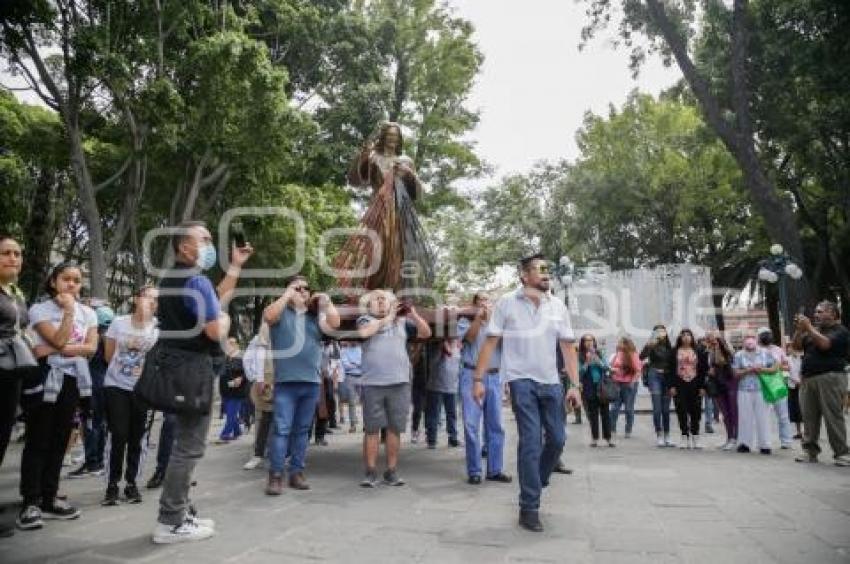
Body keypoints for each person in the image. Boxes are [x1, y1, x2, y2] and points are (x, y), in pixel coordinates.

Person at [151, 220, 253, 544]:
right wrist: (223, 322)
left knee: (184, 442)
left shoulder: (174, 278)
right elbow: (213, 327)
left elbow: (215, 298)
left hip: (175, 369)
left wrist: (235, 266)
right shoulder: (195, 280)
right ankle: (171, 520)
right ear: (184, 247)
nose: (210, 245)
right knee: (189, 447)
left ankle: (180, 510)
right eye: (204, 239)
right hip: (193, 371)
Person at [473, 254, 581, 533]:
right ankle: (529, 506)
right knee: (531, 442)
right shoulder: (507, 303)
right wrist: (478, 379)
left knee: (557, 440)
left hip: (551, 383)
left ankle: (536, 479)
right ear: (523, 275)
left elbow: (568, 348)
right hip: (521, 381)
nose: (546, 274)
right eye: (540, 270)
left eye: (548, 270)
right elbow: (490, 342)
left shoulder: (557, 306)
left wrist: (575, 385)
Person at [18, 262, 98, 530]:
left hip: (73, 381)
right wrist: (67, 314)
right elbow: (61, 341)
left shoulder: (88, 313)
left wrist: (55, 349)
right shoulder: (39, 309)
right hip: (44, 379)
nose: (72, 284)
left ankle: (49, 498)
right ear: (54, 281)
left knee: (60, 440)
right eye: (66, 279)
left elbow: (91, 348)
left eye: (77, 280)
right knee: (38, 439)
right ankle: (30, 501)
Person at [263, 275, 340, 495]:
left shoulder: (315, 317)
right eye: (298, 287)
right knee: (281, 430)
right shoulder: (280, 313)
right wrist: (288, 293)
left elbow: (335, 324)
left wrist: (327, 301)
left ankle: (296, 472)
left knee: (302, 431)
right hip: (285, 382)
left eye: (307, 288)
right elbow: (268, 316)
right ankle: (275, 475)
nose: (303, 291)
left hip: (311, 382)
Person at [336, 121, 435, 292]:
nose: (392, 139)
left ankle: (394, 291)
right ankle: (375, 290)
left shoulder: (406, 161)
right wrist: (363, 157)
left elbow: (418, 194)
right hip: (379, 212)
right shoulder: (374, 157)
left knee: (397, 253)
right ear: (383, 137)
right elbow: (354, 180)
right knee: (376, 250)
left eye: (395, 136)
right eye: (389, 136)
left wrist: (410, 175)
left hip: (400, 215)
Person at [357, 290, 431, 487]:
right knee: (372, 429)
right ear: (369, 305)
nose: (381, 301)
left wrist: (413, 314)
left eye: (385, 299)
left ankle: (391, 471)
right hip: (373, 383)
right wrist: (388, 318)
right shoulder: (365, 320)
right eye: (377, 299)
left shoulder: (402, 323)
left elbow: (426, 333)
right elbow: (364, 333)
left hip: (399, 382)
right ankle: (370, 471)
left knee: (394, 429)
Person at [101, 286, 159, 506]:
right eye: (148, 297)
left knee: (137, 437)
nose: (152, 302)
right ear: (136, 299)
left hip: (142, 390)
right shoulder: (119, 323)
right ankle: (112, 485)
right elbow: (108, 356)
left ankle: (131, 483)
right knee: (118, 434)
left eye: (156, 300)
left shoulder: (158, 329)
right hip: (116, 385)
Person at [458, 293, 510, 485]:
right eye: (479, 300)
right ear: (474, 304)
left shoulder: (498, 323)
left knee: (496, 425)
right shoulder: (465, 321)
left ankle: (495, 470)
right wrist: (478, 320)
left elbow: (507, 344)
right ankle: (474, 470)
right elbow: (469, 339)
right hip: (471, 376)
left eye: (487, 299)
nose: (484, 303)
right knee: (471, 425)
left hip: (495, 376)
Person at [793, 302, 850, 466]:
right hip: (809, 379)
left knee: (833, 416)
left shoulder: (840, 331)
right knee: (809, 417)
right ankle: (809, 451)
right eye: (815, 312)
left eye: (820, 312)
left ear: (832, 314)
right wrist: (799, 329)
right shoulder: (814, 331)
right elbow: (797, 347)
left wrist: (809, 327)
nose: (816, 315)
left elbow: (825, 345)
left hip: (830, 378)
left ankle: (842, 453)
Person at [0, 235, 31, 537]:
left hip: (12, 375)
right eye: (6, 253)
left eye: (17, 253)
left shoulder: (15, 292)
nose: (13, 258)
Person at [68, 303, 113, 479]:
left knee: (90, 423)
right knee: (100, 423)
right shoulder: (111, 337)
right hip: (105, 383)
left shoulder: (95, 338)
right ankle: (98, 461)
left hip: (92, 384)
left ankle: (92, 462)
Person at [732, 330, 775, 455]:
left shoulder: (765, 353)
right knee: (745, 417)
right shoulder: (739, 355)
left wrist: (762, 369)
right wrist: (748, 370)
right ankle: (744, 443)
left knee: (764, 417)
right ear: (743, 340)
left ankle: (765, 444)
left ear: (757, 339)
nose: (749, 339)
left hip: (761, 389)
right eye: (747, 337)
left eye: (752, 337)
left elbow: (774, 368)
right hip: (744, 390)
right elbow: (735, 373)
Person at [242, 324, 274, 470]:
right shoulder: (258, 338)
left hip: (281, 381)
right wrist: (255, 378)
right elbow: (247, 359)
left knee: (280, 420)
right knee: (263, 419)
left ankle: (277, 452)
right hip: (263, 384)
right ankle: (258, 453)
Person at [669, 329, 707, 449]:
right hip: (679, 383)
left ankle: (695, 436)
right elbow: (670, 370)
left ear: (692, 337)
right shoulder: (674, 351)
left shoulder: (698, 351)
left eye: (688, 335)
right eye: (684, 335)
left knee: (696, 411)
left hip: (695, 383)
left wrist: (702, 387)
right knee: (681, 410)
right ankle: (684, 436)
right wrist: (672, 386)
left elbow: (703, 370)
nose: (686, 337)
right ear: (680, 337)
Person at [757, 328, 793, 449]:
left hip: (777, 385)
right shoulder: (755, 351)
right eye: (763, 335)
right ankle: (763, 441)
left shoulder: (778, 350)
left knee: (783, 415)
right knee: (762, 416)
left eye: (767, 335)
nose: (766, 337)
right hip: (761, 387)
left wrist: (776, 367)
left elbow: (787, 366)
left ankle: (786, 441)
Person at [640, 325, 676, 447]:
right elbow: (641, 357)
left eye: (663, 331)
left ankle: (667, 435)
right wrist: (649, 345)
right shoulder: (651, 345)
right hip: (654, 375)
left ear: (666, 333)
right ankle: (659, 435)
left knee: (666, 410)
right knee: (657, 409)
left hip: (666, 377)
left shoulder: (669, 347)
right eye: (658, 331)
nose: (660, 333)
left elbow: (673, 363)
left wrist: (673, 383)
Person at [425, 338, 461, 449]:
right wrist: (441, 348)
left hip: (452, 386)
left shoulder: (458, 344)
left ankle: (453, 438)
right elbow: (432, 364)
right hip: (436, 386)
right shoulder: (436, 345)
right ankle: (432, 439)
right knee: (434, 414)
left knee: (452, 414)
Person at [704, 330, 737, 450]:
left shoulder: (725, 348)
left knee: (733, 411)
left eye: (713, 337)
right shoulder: (708, 351)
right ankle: (729, 438)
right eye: (708, 337)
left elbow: (726, 359)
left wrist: (719, 345)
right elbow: (708, 365)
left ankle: (735, 438)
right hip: (717, 383)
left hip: (729, 381)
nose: (711, 339)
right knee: (724, 412)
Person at [578, 334, 612, 447]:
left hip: (602, 386)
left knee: (605, 412)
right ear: (583, 343)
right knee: (593, 413)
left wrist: (599, 362)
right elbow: (579, 372)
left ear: (594, 342)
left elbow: (607, 367)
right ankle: (594, 438)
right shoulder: (580, 355)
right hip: (589, 386)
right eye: (586, 340)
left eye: (591, 340)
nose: (589, 342)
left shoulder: (600, 353)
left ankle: (608, 438)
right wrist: (587, 362)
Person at [608, 336, 641, 441]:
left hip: (629, 384)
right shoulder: (616, 354)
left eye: (621, 343)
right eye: (619, 342)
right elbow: (612, 367)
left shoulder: (633, 355)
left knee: (628, 408)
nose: (619, 344)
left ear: (627, 344)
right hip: (617, 383)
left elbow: (638, 370)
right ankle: (612, 429)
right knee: (614, 408)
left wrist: (633, 382)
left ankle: (628, 430)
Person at [218, 338, 248, 443]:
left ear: (236, 345)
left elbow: (248, 372)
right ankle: (237, 431)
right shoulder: (225, 358)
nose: (229, 346)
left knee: (231, 414)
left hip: (237, 391)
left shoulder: (242, 357)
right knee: (231, 413)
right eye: (227, 344)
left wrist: (241, 378)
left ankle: (225, 434)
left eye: (232, 343)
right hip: (225, 391)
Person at [339, 341, 363, 433]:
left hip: (361, 376)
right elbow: (346, 365)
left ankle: (366, 424)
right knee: (351, 402)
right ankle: (353, 425)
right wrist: (358, 364)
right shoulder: (344, 351)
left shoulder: (362, 350)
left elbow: (364, 363)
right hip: (349, 377)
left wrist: (353, 363)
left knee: (365, 402)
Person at [785, 340, 803, 439]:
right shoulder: (787, 359)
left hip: (803, 386)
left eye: (792, 347)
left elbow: (804, 371)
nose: (791, 349)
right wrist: (796, 381)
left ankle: (808, 431)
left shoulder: (802, 359)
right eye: (789, 348)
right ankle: (799, 431)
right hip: (792, 386)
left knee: (804, 408)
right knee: (795, 410)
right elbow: (786, 372)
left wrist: (801, 381)